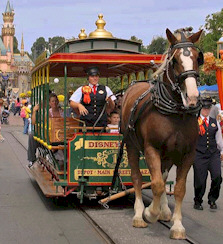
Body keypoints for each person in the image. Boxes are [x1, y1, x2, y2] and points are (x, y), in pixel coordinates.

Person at [193, 97, 223, 210]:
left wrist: (222, 150)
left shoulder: (214, 123)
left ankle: (212, 199)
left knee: (217, 177)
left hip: (213, 154)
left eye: (208, 109)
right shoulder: (195, 122)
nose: (206, 111)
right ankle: (198, 200)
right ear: (200, 109)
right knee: (200, 180)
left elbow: (219, 138)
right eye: (204, 109)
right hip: (199, 154)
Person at [28, 93, 63, 167]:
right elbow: (35, 123)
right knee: (32, 136)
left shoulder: (61, 111)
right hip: (49, 134)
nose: (55, 103)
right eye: (53, 101)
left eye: (56, 101)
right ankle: (32, 159)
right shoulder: (47, 112)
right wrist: (34, 111)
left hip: (60, 133)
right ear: (49, 103)